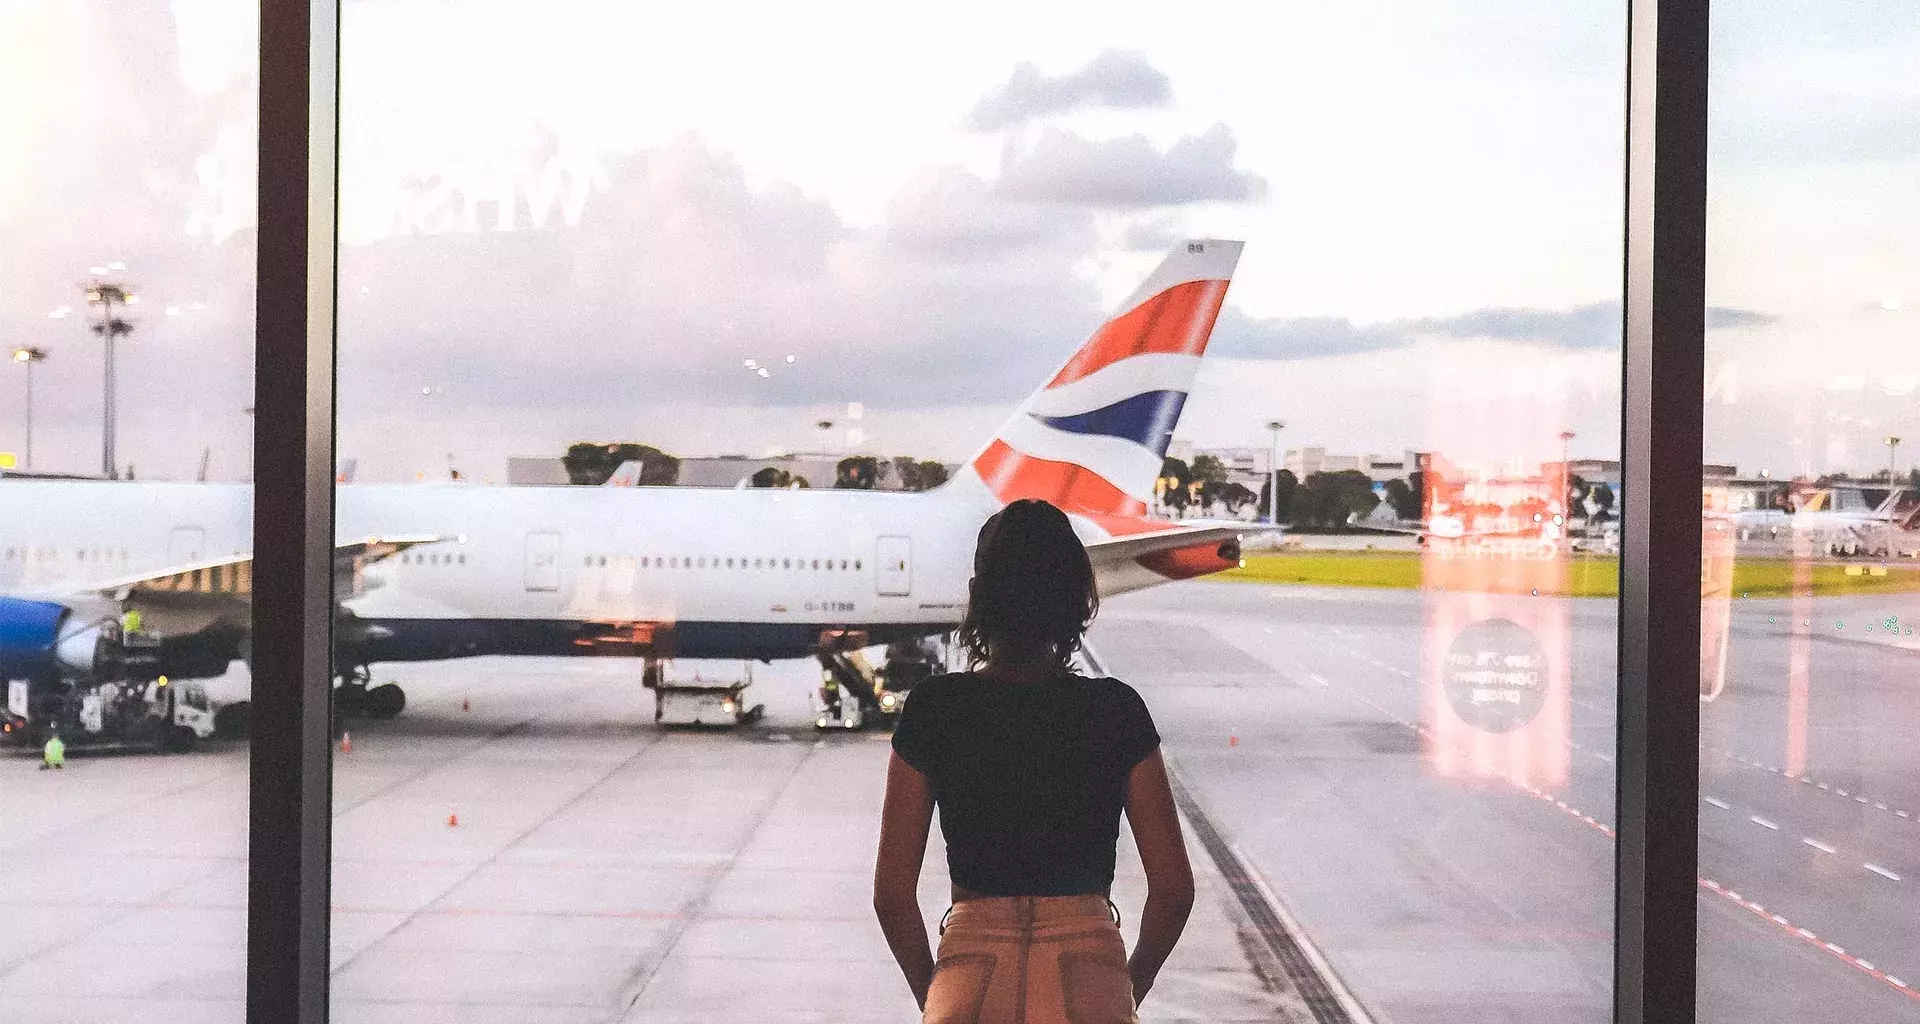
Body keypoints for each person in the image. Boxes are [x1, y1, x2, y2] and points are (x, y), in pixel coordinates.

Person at [874, 499, 1193, 1023]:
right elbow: (1174, 891)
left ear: (979, 598)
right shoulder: (1117, 711)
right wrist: (1125, 988)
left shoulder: (934, 709)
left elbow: (891, 894)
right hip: (1092, 975)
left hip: (972, 973)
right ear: (1078, 601)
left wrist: (934, 991)